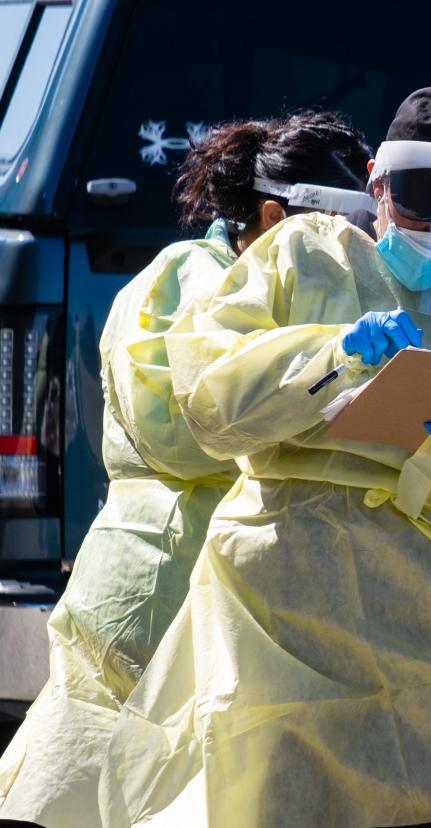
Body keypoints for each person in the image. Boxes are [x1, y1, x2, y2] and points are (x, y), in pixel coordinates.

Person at [100, 87, 431, 828]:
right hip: (281, 598)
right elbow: (210, 401)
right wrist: (328, 355)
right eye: (426, 195)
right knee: (269, 796)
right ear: (379, 184)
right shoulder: (302, 252)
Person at [0, 111, 373, 828]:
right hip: (158, 594)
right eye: (334, 226)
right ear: (271, 216)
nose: (351, 248)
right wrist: (316, 388)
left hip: (245, 607)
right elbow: (184, 426)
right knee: (97, 796)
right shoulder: (183, 281)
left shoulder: (300, 295)